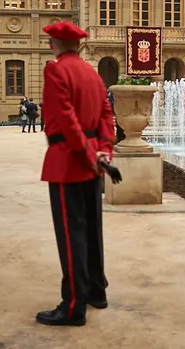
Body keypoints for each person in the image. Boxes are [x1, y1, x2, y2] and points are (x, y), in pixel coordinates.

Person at [36, 21, 115, 327]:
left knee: (71, 234)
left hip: (69, 159)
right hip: (93, 160)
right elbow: (107, 115)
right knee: (92, 228)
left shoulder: (55, 70)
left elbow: (66, 117)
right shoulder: (93, 74)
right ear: (79, 45)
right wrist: (102, 152)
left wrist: (84, 150)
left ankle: (73, 305)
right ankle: (96, 290)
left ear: (53, 43)